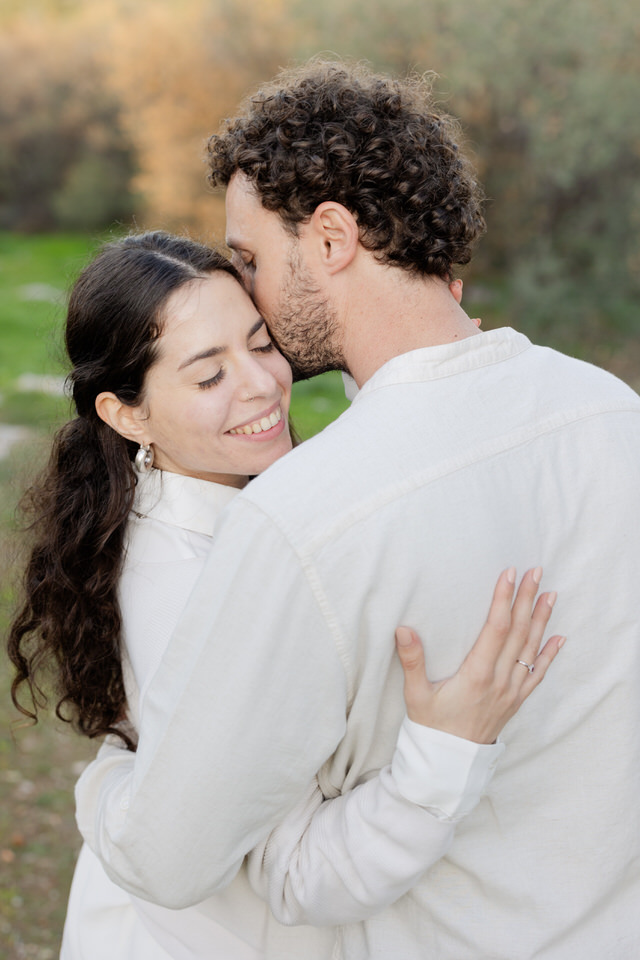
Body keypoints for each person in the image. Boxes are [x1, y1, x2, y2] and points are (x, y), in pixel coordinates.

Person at [66, 60, 640, 958]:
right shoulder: (611, 411)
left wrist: (105, 782)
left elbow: (174, 856)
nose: (247, 288)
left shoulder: (309, 515)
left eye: (252, 259)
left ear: (331, 237)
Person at [8, 231, 560, 960]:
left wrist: (428, 368)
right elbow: (302, 873)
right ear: (127, 414)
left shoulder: (218, 501)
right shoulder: (191, 587)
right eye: (210, 376)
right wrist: (446, 748)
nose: (262, 385)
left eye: (262, 344)